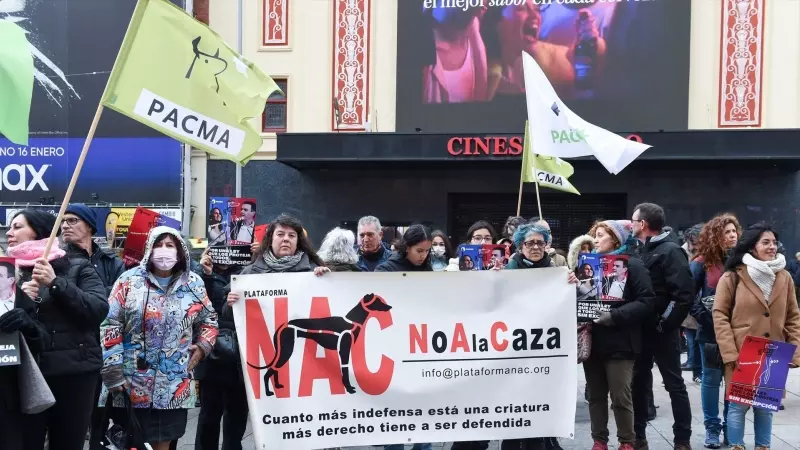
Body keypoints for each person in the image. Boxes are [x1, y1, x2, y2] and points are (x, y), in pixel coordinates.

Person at [100, 227, 219, 450]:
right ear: (149, 249)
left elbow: (209, 320)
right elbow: (110, 324)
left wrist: (203, 347)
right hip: (131, 381)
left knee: (164, 443)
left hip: (174, 382)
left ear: (180, 251)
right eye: (158, 244)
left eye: (170, 245)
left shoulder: (193, 284)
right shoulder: (128, 281)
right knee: (129, 442)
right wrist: (113, 369)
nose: (163, 251)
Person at [1, 209, 107, 450]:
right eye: (10, 227)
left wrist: (56, 283)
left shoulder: (78, 267)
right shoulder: (6, 273)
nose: (10, 232)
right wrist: (21, 302)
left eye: (18, 227)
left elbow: (98, 310)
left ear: (39, 232)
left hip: (74, 375)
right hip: (23, 376)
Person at [713, 223, 800, 450]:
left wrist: (795, 348)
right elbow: (719, 314)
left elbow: (793, 316)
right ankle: (736, 446)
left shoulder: (785, 277)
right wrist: (729, 352)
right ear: (752, 247)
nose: (772, 247)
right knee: (738, 406)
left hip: (774, 350)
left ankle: (763, 446)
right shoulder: (734, 276)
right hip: (743, 351)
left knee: (765, 406)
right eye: (766, 242)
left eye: (774, 242)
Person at [501, 222, 577, 450]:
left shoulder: (558, 272)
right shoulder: (508, 271)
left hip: (544, 350)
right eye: (530, 243)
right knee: (514, 403)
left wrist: (573, 285)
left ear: (546, 245)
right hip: (513, 349)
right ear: (520, 245)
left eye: (540, 243)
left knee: (539, 403)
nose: (535, 247)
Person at [60, 203, 128, 450]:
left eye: (72, 220)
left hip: (110, 351)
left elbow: (121, 301)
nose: (65, 225)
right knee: (77, 423)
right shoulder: (58, 261)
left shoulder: (112, 262)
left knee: (112, 423)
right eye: (63, 221)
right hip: (76, 351)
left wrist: (87, 298)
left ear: (89, 226)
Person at [584, 220, 656, 450]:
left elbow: (647, 302)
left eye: (601, 235)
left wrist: (614, 316)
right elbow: (582, 298)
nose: (595, 239)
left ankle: (627, 441)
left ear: (615, 239)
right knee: (595, 396)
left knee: (621, 396)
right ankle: (599, 441)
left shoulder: (633, 265)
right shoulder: (588, 265)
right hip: (593, 341)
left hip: (621, 343)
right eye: (595, 235)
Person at [630, 203, 694, 450]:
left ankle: (682, 439)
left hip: (662, 332)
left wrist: (664, 324)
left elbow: (683, 295)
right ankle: (639, 436)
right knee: (639, 382)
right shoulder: (638, 250)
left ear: (643, 224)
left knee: (674, 384)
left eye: (634, 221)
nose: (631, 224)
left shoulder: (671, 251)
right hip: (640, 330)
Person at [376, 224, 434, 450]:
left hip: (420, 349)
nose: (424, 256)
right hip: (394, 350)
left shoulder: (427, 270)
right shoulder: (386, 270)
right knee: (395, 415)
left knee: (424, 413)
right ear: (406, 247)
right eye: (419, 250)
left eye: (427, 251)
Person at [480, 0, 606, 99]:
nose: (535, 15)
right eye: (521, 8)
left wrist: (591, 45)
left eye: (536, 9)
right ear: (497, 23)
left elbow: (583, 82)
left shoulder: (545, 58)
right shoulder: (484, 71)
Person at [688, 214, 740, 448]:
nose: (732, 235)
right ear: (715, 235)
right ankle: (712, 428)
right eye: (726, 232)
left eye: (734, 231)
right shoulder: (701, 263)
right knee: (711, 379)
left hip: (739, 332)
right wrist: (705, 317)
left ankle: (732, 427)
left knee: (734, 381)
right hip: (710, 332)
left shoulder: (745, 261)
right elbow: (688, 296)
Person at [193, 247, 246, 450]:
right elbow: (199, 306)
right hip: (212, 352)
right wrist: (205, 274)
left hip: (240, 354)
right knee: (209, 413)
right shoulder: (201, 274)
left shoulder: (247, 270)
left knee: (237, 412)